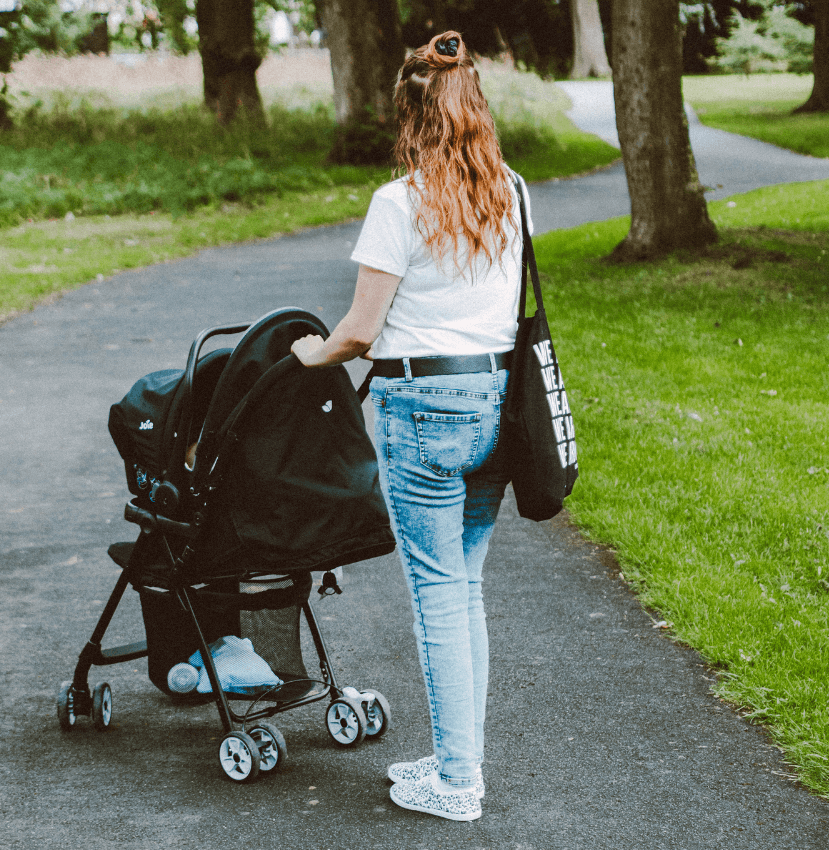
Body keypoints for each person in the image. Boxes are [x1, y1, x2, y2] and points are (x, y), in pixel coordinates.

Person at [290, 31, 534, 822]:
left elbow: (360, 331)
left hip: (424, 413)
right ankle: (457, 759)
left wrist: (309, 354)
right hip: (498, 406)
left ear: (410, 113)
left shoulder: (400, 203)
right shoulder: (515, 191)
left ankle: (458, 782)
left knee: (440, 596)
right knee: (465, 591)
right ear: (477, 111)